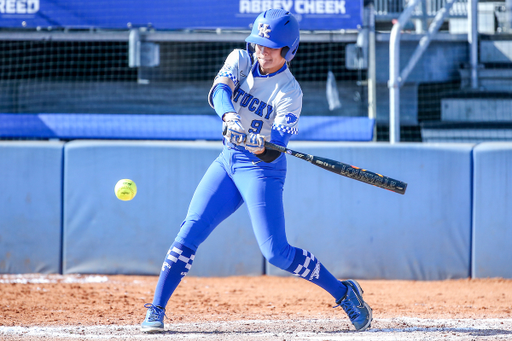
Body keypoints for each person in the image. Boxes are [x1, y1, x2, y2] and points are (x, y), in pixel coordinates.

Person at [140, 9, 372, 333]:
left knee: (275, 252)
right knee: (189, 230)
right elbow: (221, 91)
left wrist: (256, 141)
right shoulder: (241, 58)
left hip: (262, 171)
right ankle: (157, 309)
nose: (262, 50)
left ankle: (344, 293)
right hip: (228, 160)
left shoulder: (290, 93)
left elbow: (271, 148)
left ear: (288, 51)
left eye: (270, 46)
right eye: (259, 42)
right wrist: (229, 118)